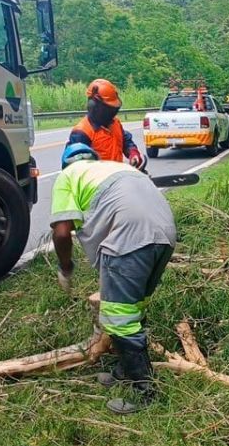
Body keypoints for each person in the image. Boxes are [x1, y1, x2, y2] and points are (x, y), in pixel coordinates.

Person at [50, 142, 177, 414]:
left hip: (131, 238)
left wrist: (66, 267)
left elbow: (61, 233)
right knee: (134, 306)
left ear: (66, 165)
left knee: (119, 316)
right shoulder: (113, 167)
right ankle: (124, 369)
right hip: (165, 233)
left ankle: (145, 392)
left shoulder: (67, 177)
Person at [65, 78, 144, 168]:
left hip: (117, 177)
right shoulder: (82, 132)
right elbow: (75, 167)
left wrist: (132, 152)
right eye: (109, 109)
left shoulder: (115, 123)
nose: (112, 112)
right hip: (97, 180)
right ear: (96, 107)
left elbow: (125, 140)